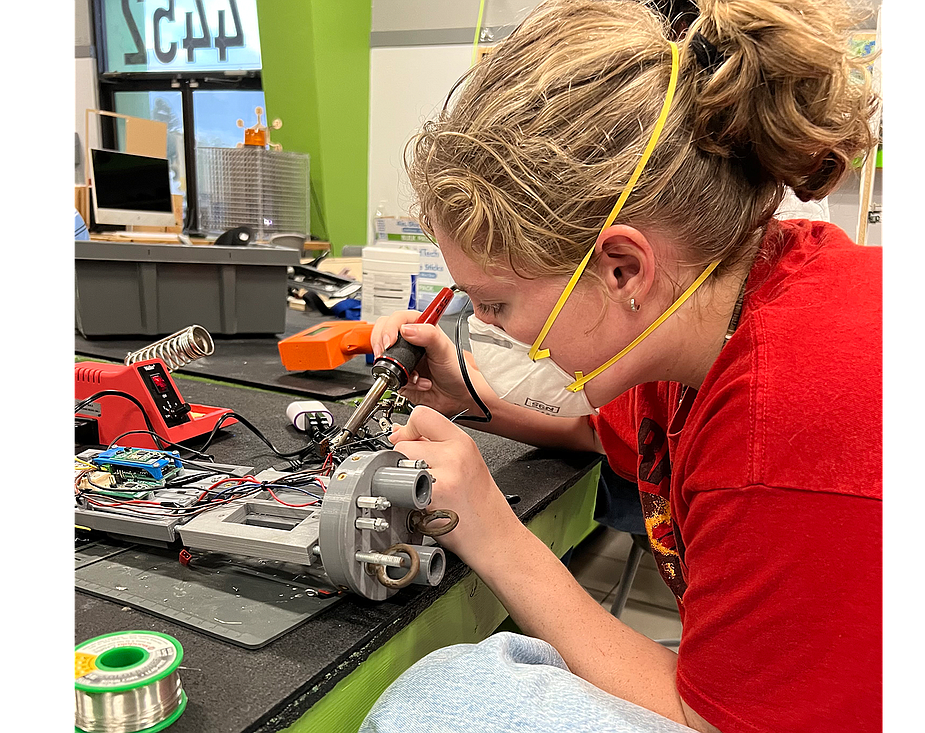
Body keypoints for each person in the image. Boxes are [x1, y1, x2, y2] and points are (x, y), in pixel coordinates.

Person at [361, 1, 883, 731]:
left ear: (622, 269)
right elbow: (599, 436)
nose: (483, 324)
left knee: (444, 700)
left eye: (497, 304)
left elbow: (706, 717)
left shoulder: (787, 421)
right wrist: (468, 395)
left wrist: (489, 528)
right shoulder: (715, 303)